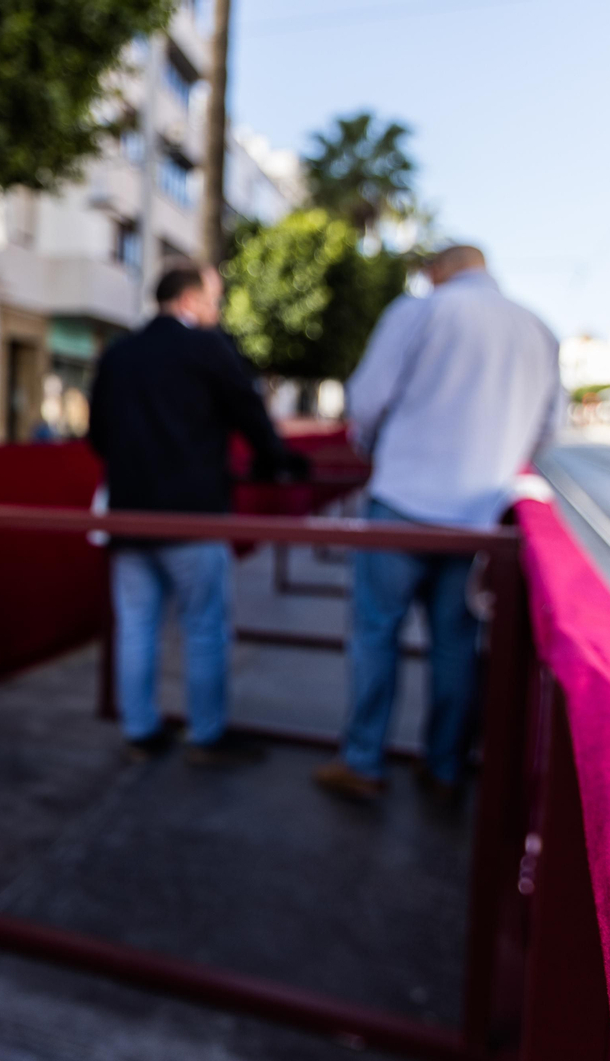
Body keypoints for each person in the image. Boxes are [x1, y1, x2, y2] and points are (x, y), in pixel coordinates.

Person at [313, 245, 561, 803]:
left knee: (377, 635)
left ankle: (363, 760)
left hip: (402, 500)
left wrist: (376, 447)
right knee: (456, 645)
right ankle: (445, 766)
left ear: (439, 271)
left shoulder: (421, 311)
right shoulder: (538, 328)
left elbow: (368, 399)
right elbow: (548, 429)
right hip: (480, 517)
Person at [88, 261, 307, 765]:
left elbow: (98, 434)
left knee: (136, 625)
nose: (217, 311)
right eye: (213, 300)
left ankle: (139, 728)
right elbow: (250, 415)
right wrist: (278, 462)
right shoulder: (209, 347)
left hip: (128, 513)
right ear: (189, 301)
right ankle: (206, 734)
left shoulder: (119, 353)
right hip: (192, 515)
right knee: (205, 627)